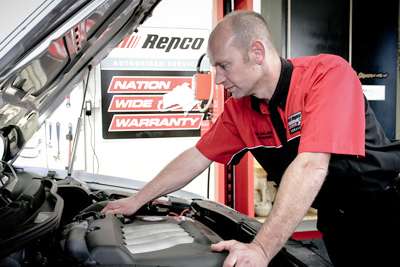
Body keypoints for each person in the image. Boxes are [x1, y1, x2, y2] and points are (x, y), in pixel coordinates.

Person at [102, 10, 400, 267]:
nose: (218, 78)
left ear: (257, 52)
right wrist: (138, 200)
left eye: (224, 65)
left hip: (385, 209)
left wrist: (260, 249)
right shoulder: (240, 110)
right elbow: (197, 156)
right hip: (338, 221)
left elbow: (311, 165)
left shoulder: (325, 75)